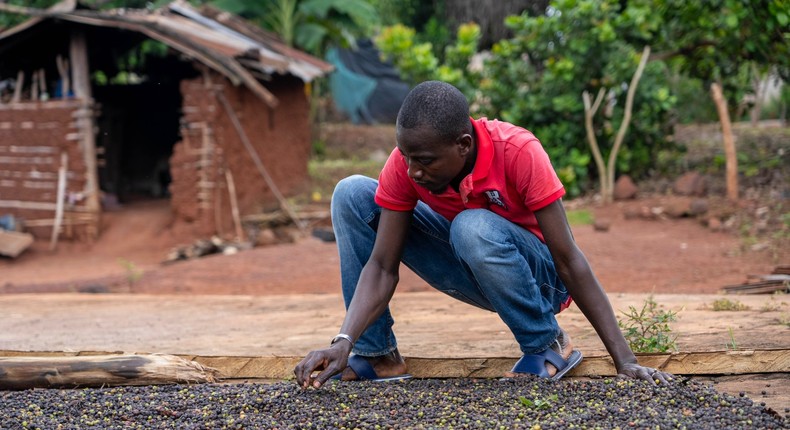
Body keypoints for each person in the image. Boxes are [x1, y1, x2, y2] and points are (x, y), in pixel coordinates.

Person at [294, 81, 673, 389]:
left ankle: (546, 343)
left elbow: (569, 259)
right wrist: (343, 341)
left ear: (463, 144)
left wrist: (625, 360)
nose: (412, 170)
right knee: (352, 193)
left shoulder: (519, 152)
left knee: (472, 225)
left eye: (424, 160)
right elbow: (380, 265)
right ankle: (377, 356)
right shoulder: (408, 164)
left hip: (541, 281)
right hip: (469, 262)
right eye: (406, 156)